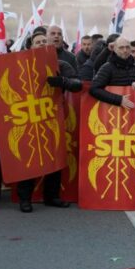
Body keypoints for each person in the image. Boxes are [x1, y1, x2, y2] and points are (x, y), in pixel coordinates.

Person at [14, 30, 83, 213]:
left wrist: (62, 81)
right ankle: (25, 198)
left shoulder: (60, 64)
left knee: (54, 156)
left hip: (52, 116)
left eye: (46, 41)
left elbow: (77, 84)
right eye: (39, 42)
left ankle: (51, 196)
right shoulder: (19, 65)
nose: (43, 44)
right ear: (30, 46)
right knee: (29, 157)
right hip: (27, 117)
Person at [89, 37, 135, 108]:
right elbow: (94, 89)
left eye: (127, 47)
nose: (125, 50)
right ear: (115, 49)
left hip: (131, 112)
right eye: (121, 47)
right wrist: (119, 100)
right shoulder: (107, 67)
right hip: (110, 111)